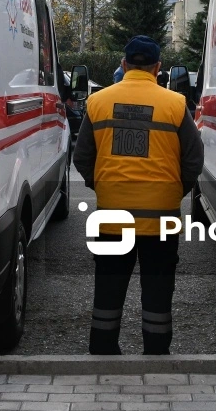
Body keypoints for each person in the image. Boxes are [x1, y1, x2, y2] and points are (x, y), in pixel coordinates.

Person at [72, 35, 204, 355]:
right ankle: (156, 353)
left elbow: (82, 157)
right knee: (158, 291)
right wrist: (175, 190)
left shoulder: (98, 102)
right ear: (158, 68)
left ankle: (103, 350)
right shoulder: (174, 104)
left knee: (108, 288)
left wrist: (103, 186)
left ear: (123, 64)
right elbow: (194, 159)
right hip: (161, 218)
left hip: (112, 214)